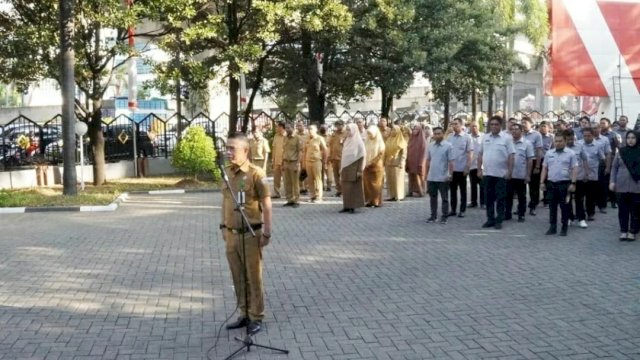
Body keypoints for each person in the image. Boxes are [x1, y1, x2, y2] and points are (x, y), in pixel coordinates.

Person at [221, 133, 272, 335]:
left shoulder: (256, 173)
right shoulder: (226, 172)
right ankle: (244, 313)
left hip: (251, 234)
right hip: (231, 234)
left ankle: (256, 316)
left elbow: (267, 204)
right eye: (227, 148)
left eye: (232, 148)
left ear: (245, 150)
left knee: (253, 277)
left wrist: (267, 232)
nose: (228, 152)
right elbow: (224, 201)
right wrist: (222, 226)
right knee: (238, 276)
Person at [478, 116, 515, 230]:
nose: (494, 126)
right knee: (488, 198)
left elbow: (511, 155)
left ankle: (499, 220)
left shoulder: (507, 138)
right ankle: (490, 219)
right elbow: (480, 154)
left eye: (496, 124)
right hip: (488, 173)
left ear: (500, 125)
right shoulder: (485, 137)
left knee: (500, 198)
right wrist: (479, 169)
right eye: (492, 124)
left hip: (501, 174)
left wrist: (509, 171)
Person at [540, 133, 578, 236]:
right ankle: (552, 227)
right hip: (551, 183)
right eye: (556, 141)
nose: (558, 143)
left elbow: (574, 168)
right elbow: (544, 168)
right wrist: (542, 182)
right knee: (552, 206)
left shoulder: (571, 153)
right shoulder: (549, 153)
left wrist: (573, 183)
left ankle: (564, 227)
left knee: (564, 206)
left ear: (565, 141)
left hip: (564, 184)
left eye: (560, 141)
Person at [610, 130, 640, 241]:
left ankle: (633, 231)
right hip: (621, 185)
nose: (631, 140)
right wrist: (612, 182)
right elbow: (614, 168)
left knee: (635, 210)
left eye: (633, 138)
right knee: (623, 210)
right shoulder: (621, 152)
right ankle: (623, 230)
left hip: (637, 186)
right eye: (628, 138)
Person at [505, 123, 534, 222]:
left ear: (521, 131)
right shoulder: (507, 142)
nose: (513, 131)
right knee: (508, 195)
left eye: (516, 129)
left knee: (522, 196)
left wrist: (528, 175)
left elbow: (530, 160)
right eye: (512, 129)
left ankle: (521, 214)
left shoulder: (527, 143)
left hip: (521, 174)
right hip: (509, 174)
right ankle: (507, 213)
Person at [425, 127, 454, 224]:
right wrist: (426, 174)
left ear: (443, 134)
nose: (437, 135)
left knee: (444, 198)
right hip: (432, 176)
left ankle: (444, 216)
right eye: (435, 134)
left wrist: (450, 174)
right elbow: (428, 160)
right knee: (432, 198)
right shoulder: (430, 146)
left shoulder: (448, 146)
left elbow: (451, 161)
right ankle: (433, 216)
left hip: (443, 177)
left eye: (439, 133)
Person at [577, 127, 604, 226]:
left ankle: (590, 213)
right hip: (580, 174)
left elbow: (602, 158)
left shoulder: (598, 145)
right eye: (584, 136)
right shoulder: (578, 144)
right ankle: (580, 214)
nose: (586, 138)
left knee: (590, 196)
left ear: (593, 135)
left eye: (589, 136)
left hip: (592, 175)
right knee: (579, 196)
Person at [446, 118, 473, 217]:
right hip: (452, 169)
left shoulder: (467, 137)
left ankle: (462, 210)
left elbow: (470, 153)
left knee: (463, 190)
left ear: (462, 125)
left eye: (456, 124)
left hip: (462, 168)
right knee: (452, 190)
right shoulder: (449, 137)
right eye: (453, 124)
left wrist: (467, 167)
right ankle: (453, 209)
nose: (454, 126)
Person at [340, 123, 366, 213]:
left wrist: (359, 170)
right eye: (346, 129)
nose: (347, 132)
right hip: (345, 168)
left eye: (349, 130)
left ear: (354, 130)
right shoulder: (346, 141)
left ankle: (353, 206)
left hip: (354, 168)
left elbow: (362, 156)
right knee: (345, 188)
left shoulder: (359, 142)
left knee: (353, 188)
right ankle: (346, 205)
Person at [564, 129, 588, 228]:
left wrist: (586, 173)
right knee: (567, 199)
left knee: (579, 199)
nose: (570, 141)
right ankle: (569, 218)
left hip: (578, 177)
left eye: (572, 139)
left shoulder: (580, 146)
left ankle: (581, 218)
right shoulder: (561, 147)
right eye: (568, 139)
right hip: (565, 177)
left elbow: (585, 159)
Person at [522, 117, 544, 216]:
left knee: (533, 186)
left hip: (534, 161)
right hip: (522, 162)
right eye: (522, 123)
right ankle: (521, 207)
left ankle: (533, 206)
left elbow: (539, 150)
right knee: (521, 186)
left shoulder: (536, 135)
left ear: (531, 124)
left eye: (525, 123)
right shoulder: (520, 134)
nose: (523, 124)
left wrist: (538, 166)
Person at [303, 125, 328, 203]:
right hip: (308, 161)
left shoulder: (319, 138)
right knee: (310, 179)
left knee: (317, 179)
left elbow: (325, 150)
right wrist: (303, 163)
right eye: (309, 129)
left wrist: (324, 161)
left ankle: (319, 197)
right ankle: (312, 196)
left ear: (316, 130)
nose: (310, 130)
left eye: (311, 129)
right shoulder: (306, 139)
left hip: (316, 161)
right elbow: (304, 151)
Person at [363, 125, 386, 208]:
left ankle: (377, 201)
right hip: (366, 166)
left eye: (371, 134)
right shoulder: (367, 141)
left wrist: (372, 162)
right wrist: (365, 163)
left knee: (376, 185)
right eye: (368, 133)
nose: (369, 135)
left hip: (376, 167)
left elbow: (380, 155)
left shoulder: (380, 143)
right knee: (367, 184)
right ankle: (369, 201)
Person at [384, 125, 408, 201]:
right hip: (388, 163)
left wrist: (402, 162)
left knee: (398, 180)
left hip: (397, 164)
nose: (392, 132)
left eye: (394, 130)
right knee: (390, 180)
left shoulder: (401, 141)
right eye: (392, 130)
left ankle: (399, 195)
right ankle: (391, 195)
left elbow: (404, 153)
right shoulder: (389, 140)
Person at [282, 123, 303, 207]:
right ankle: (289, 199)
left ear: (292, 128)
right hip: (286, 162)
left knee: (295, 183)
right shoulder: (285, 138)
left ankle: (296, 200)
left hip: (294, 162)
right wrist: (283, 163)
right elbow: (284, 151)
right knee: (287, 182)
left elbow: (300, 152)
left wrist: (298, 163)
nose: (287, 129)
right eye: (286, 128)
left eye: (288, 128)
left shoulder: (297, 138)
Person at [594, 125, 613, 213]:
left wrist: (608, 167)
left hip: (601, 165)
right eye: (593, 128)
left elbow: (608, 153)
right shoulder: (587, 138)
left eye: (597, 127)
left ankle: (602, 206)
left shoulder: (605, 139)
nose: (595, 129)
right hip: (590, 166)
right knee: (591, 186)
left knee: (602, 186)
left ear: (600, 129)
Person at [406, 125, 427, 197]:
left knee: (419, 176)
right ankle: (411, 191)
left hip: (418, 161)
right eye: (414, 129)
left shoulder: (422, 140)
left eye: (417, 129)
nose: (415, 131)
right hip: (411, 161)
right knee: (411, 176)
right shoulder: (411, 139)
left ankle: (421, 191)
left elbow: (424, 152)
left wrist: (421, 162)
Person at [468, 121, 484, 208]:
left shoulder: (483, 137)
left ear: (478, 127)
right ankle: (473, 202)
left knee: (482, 185)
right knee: (473, 185)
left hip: (481, 165)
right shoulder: (468, 137)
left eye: (475, 126)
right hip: (472, 164)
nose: (474, 128)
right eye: (472, 126)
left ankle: (483, 202)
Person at [328, 120, 346, 196]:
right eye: (337, 125)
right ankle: (338, 190)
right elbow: (330, 145)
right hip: (334, 157)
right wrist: (330, 156)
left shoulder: (346, 134)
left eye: (339, 125)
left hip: (342, 157)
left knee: (342, 175)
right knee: (336, 176)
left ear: (343, 125)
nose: (338, 127)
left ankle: (343, 190)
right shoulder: (334, 134)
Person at [271, 122, 286, 198]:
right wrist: (272, 160)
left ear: (282, 127)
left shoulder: (287, 136)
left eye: (278, 127)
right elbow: (274, 148)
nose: (276, 128)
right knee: (276, 179)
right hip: (277, 161)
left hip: (285, 161)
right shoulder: (276, 136)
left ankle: (288, 194)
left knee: (286, 178)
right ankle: (277, 193)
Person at [295, 120, 309, 194]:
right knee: (298, 171)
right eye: (297, 125)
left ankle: (306, 187)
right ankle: (301, 187)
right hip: (297, 156)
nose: (298, 127)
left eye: (300, 125)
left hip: (306, 155)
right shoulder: (295, 135)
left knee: (305, 172)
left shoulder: (308, 135)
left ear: (304, 125)